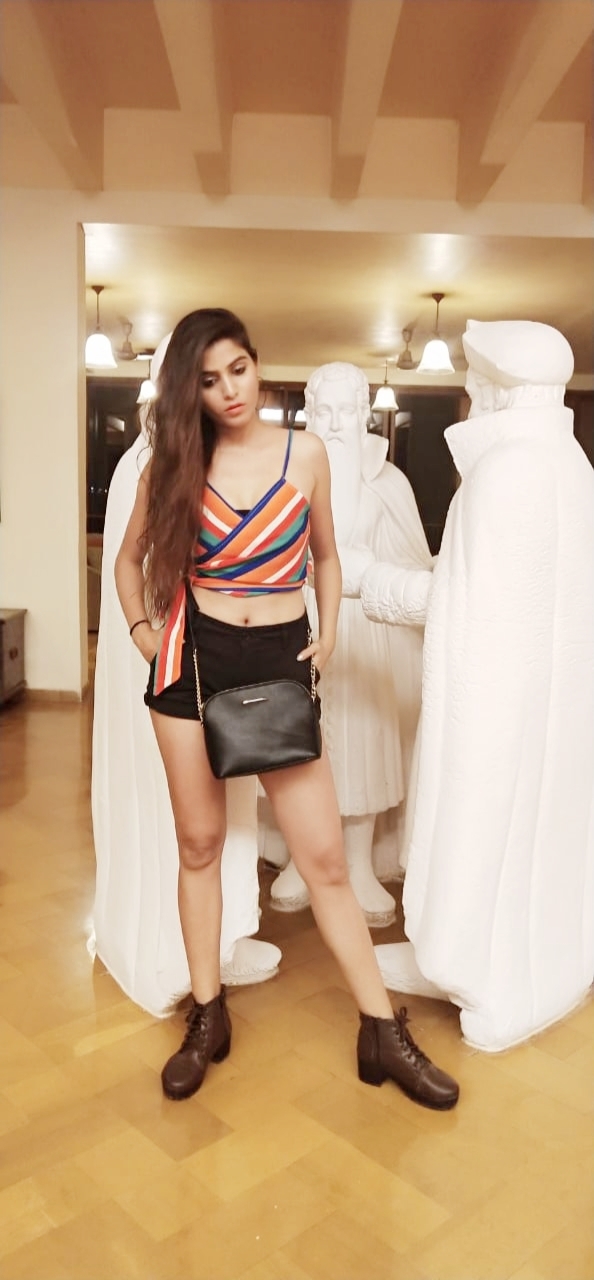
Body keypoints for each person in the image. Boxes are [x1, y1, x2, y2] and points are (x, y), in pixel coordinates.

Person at [114, 307, 459, 1107]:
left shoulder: (306, 455)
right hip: (189, 663)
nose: (229, 390)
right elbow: (129, 561)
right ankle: (208, 1017)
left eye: (238, 369)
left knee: (326, 861)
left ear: (256, 365)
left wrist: (327, 631)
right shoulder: (174, 464)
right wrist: (143, 636)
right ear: (191, 391)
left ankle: (382, 1030)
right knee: (199, 844)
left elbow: (327, 557)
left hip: (277, 660)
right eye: (209, 380)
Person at [361, 319, 594, 1051]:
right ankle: (511, 964)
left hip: (494, 700)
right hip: (545, 702)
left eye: (474, 382)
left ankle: (475, 974)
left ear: (498, 388)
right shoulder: (570, 464)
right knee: (533, 832)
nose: (467, 395)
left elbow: (460, 604)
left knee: (480, 826)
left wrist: (368, 581)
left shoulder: (506, 472)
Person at [91, 336, 281, 1018]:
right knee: (194, 819)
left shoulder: (174, 459)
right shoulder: (156, 464)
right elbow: (131, 565)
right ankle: (194, 958)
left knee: (196, 816)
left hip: (194, 668)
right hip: (176, 673)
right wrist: (149, 640)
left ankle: (198, 946)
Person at [264, 361, 433, 924]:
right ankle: (301, 856)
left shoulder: (387, 483)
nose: (335, 425)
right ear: (308, 414)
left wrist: (368, 572)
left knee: (362, 743)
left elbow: (410, 560)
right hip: (298, 621)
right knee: (295, 741)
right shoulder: (283, 474)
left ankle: (358, 863)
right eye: (325, 411)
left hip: (363, 629)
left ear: (365, 415)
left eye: (346, 411)